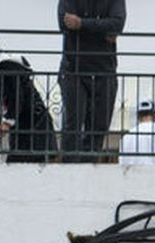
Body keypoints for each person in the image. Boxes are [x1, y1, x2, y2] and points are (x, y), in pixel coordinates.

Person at [0, 31, 58, 164]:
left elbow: (16, 96)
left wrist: (7, 122)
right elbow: (1, 103)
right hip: (22, 125)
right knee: (17, 167)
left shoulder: (6, 65)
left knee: (18, 167)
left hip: (34, 125)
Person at [58, 0, 125, 162]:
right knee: (72, 125)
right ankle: (69, 171)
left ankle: (89, 171)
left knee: (99, 127)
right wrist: (102, 27)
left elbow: (117, 24)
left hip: (104, 70)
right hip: (74, 69)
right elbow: (64, 23)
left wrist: (81, 24)